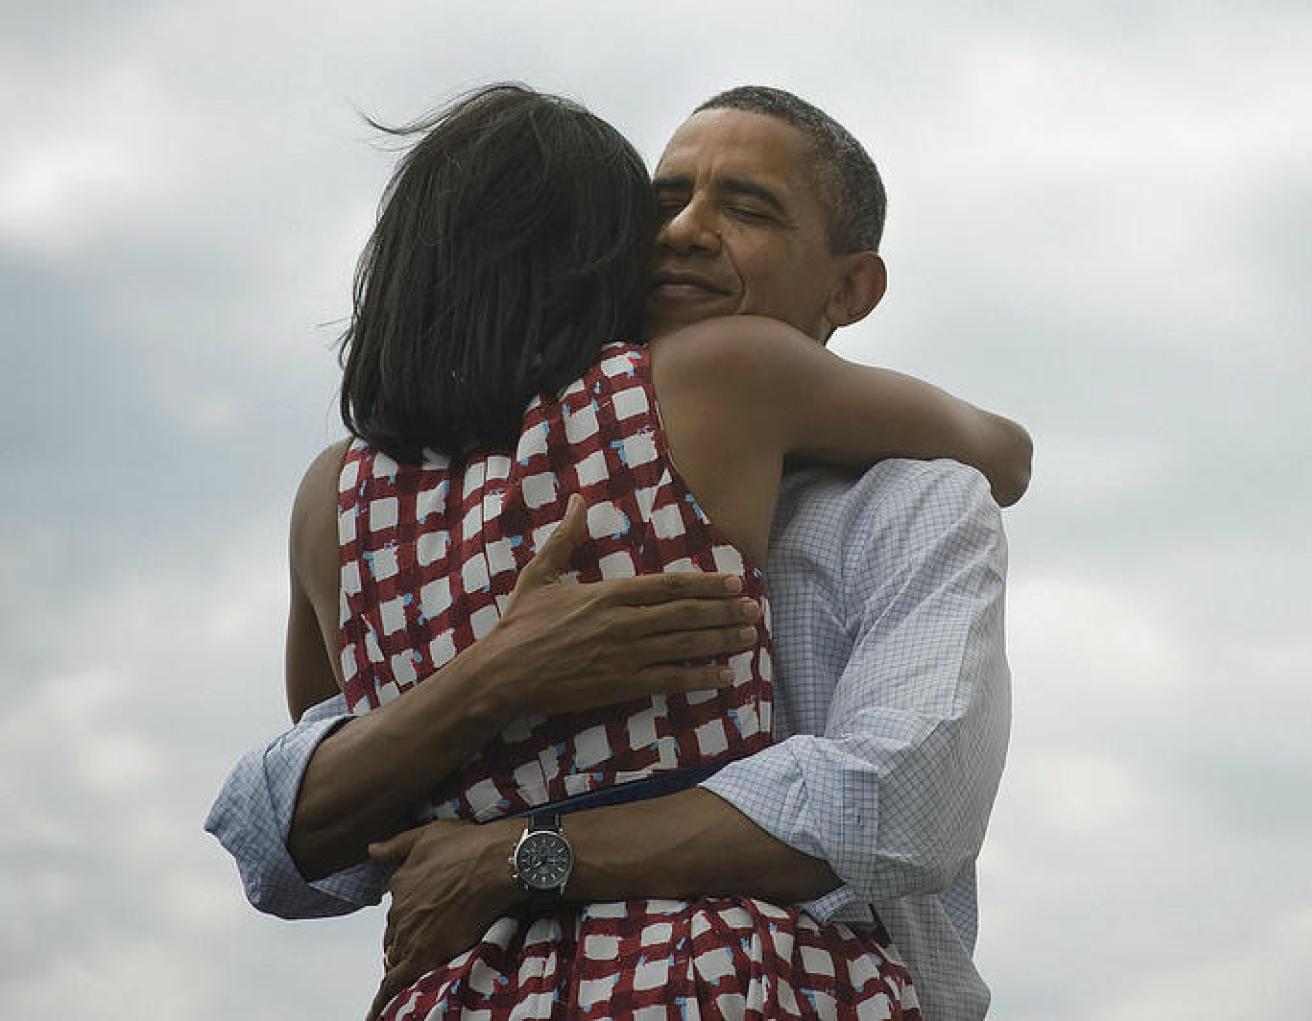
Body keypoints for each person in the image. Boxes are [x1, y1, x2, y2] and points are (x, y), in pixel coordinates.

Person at [208, 84, 1020, 1020]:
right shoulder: (699, 391)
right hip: (723, 973)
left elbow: (899, 803)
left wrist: (516, 847)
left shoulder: (339, 496)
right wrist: (497, 673)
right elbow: (310, 819)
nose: (681, 232)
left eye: (745, 207)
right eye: (660, 204)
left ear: (849, 287)